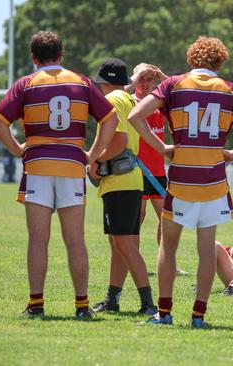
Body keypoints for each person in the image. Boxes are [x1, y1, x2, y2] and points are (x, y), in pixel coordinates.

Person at [129, 36, 233, 328]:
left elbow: (135, 115)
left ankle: (165, 313)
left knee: (167, 248)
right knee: (206, 251)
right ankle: (198, 316)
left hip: (181, 178)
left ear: (191, 59)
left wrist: (162, 148)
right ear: (220, 61)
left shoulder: (173, 85)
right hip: (213, 182)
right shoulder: (231, 90)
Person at [0, 31, 118, 319]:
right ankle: (82, 306)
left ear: (34, 58)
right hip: (72, 166)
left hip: (37, 166)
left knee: (38, 239)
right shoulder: (81, 82)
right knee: (75, 239)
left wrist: (17, 149)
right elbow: (111, 118)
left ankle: (36, 305)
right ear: (61, 54)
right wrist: (93, 154)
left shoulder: (26, 83)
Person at [89, 58, 157, 316]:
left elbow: (119, 140)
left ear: (104, 82)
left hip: (119, 180)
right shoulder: (130, 100)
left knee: (125, 245)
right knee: (121, 244)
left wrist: (95, 159)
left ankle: (148, 303)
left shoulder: (112, 100)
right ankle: (113, 298)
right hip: (131, 180)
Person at [129, 63, 168, 247]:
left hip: (158, 171)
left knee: (167, 218)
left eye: (149, 79)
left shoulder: (159, 101)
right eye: (141, 80)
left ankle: (165, 261)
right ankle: (132, 260)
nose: (145, 84)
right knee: (138, 217)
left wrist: (161, 75)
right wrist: (136, 76)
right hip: (138, 171)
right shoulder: (129, 101)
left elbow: (180, 92)